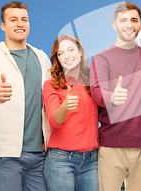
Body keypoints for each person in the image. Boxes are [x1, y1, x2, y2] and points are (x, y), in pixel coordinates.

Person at [0, 1, 51, 191]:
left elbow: (51, 97)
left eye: (24, 19)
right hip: (5, 154)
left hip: (39, 152)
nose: (20, 24)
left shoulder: (41, 57)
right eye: (13, 19)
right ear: (3, 26)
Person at [90, 2, 141, 191]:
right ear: (115, 25)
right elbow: (97, 91)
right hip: (110, 148)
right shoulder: (101, 58)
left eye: (134, 20)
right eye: (123, 20)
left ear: (140, 26)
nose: (129, 25)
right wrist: (112, 97)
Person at [42, 34, 99, 191]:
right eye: (60, 53)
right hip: (61, 161)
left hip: (91, 160)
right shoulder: (51, 85)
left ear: (80, 51)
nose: (67, 56)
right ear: (57, 59)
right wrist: (65, 107)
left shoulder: (93, 82)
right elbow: (54, 121)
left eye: (71, 49)